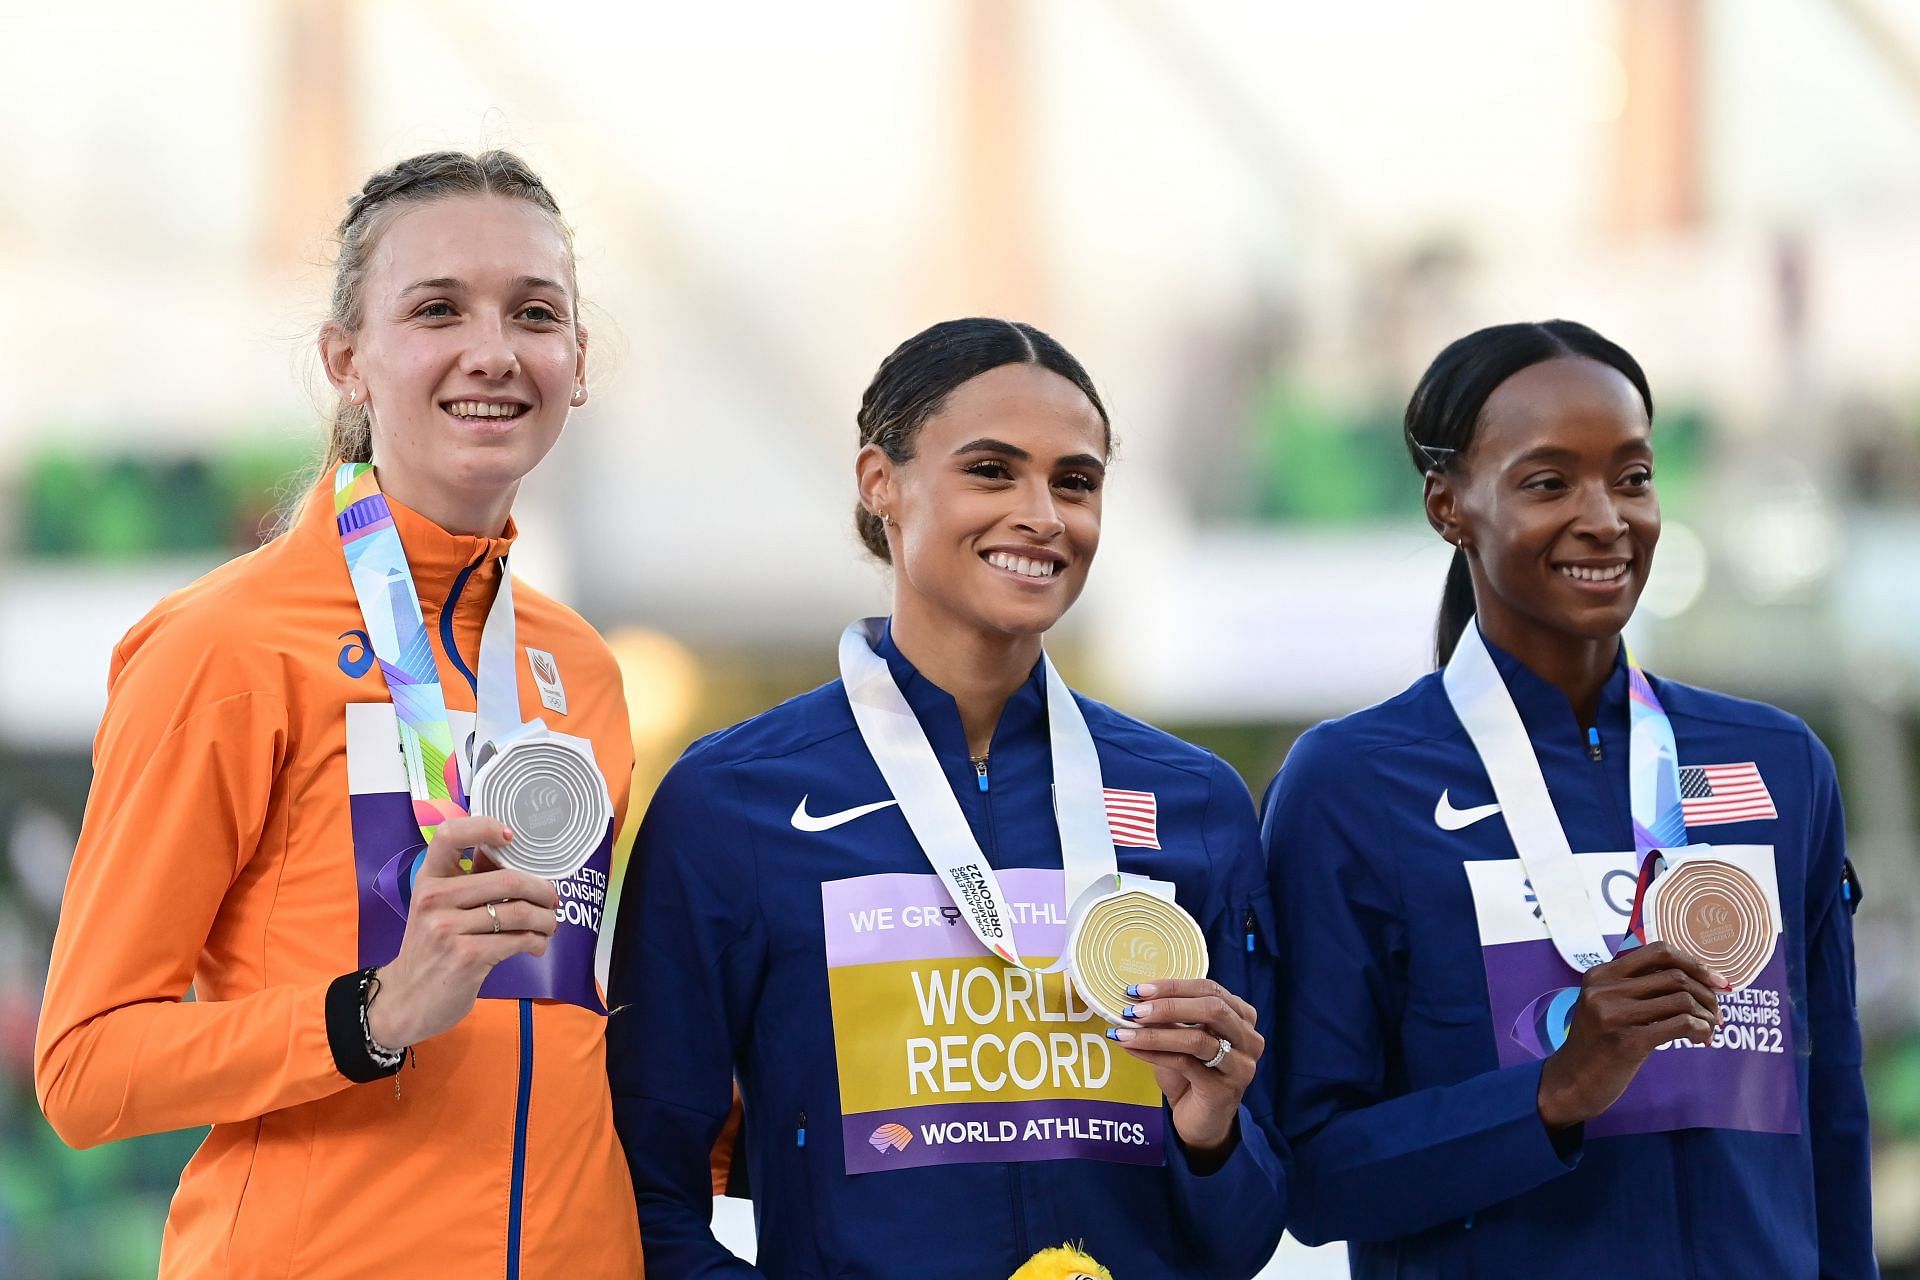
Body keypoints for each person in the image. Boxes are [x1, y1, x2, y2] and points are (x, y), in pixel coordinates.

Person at [34, 150, 644, 1277]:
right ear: (345, 359)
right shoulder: (225, 646)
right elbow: (84, 1068)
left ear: (579, 361)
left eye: (534, 313)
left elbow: (567, 1024)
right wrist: (373, 1011)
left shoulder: (583, 670)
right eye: (437, 309)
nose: (494, 350)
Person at [608, 318, 1286, 1278]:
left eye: (1076, 482)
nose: (1043, 514)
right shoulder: (731, 803)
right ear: (880, 482)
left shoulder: (1193, 804)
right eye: (992, 471)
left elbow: (1248, 1236)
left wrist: (1213, 1131)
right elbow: (644, 1195)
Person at [1261, 320, 1874, 1276]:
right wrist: (1552, 1091)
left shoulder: (1779, 763)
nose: (1607, 518)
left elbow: (1832, 1116)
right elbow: (1312, 1175)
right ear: (1447, 505)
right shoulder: (1352, 784)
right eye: (1549, 483)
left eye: (1632, 477)